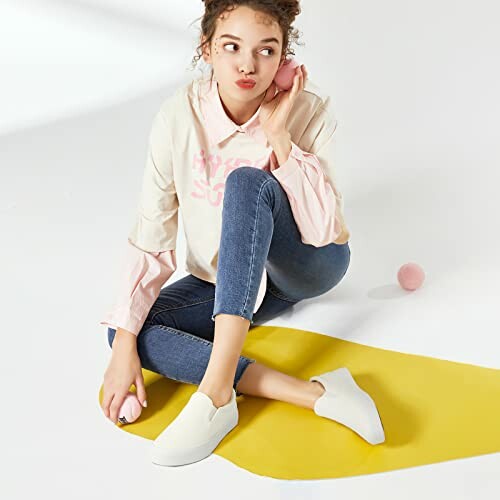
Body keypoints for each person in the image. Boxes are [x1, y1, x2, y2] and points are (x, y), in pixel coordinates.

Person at [99, 0, 375, 465]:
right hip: (229, 286)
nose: (249, 65)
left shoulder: (308, 111)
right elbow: (153, 232)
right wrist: (124, 344)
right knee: (124, 335)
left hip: (306, 266)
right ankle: (312, 393)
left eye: (267, 51)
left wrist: (280, 135)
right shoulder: (176, 119)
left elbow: (325, 229)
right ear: (206, 49)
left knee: (246, 182)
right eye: (232, 47)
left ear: (285, 57)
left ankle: (215, 395)